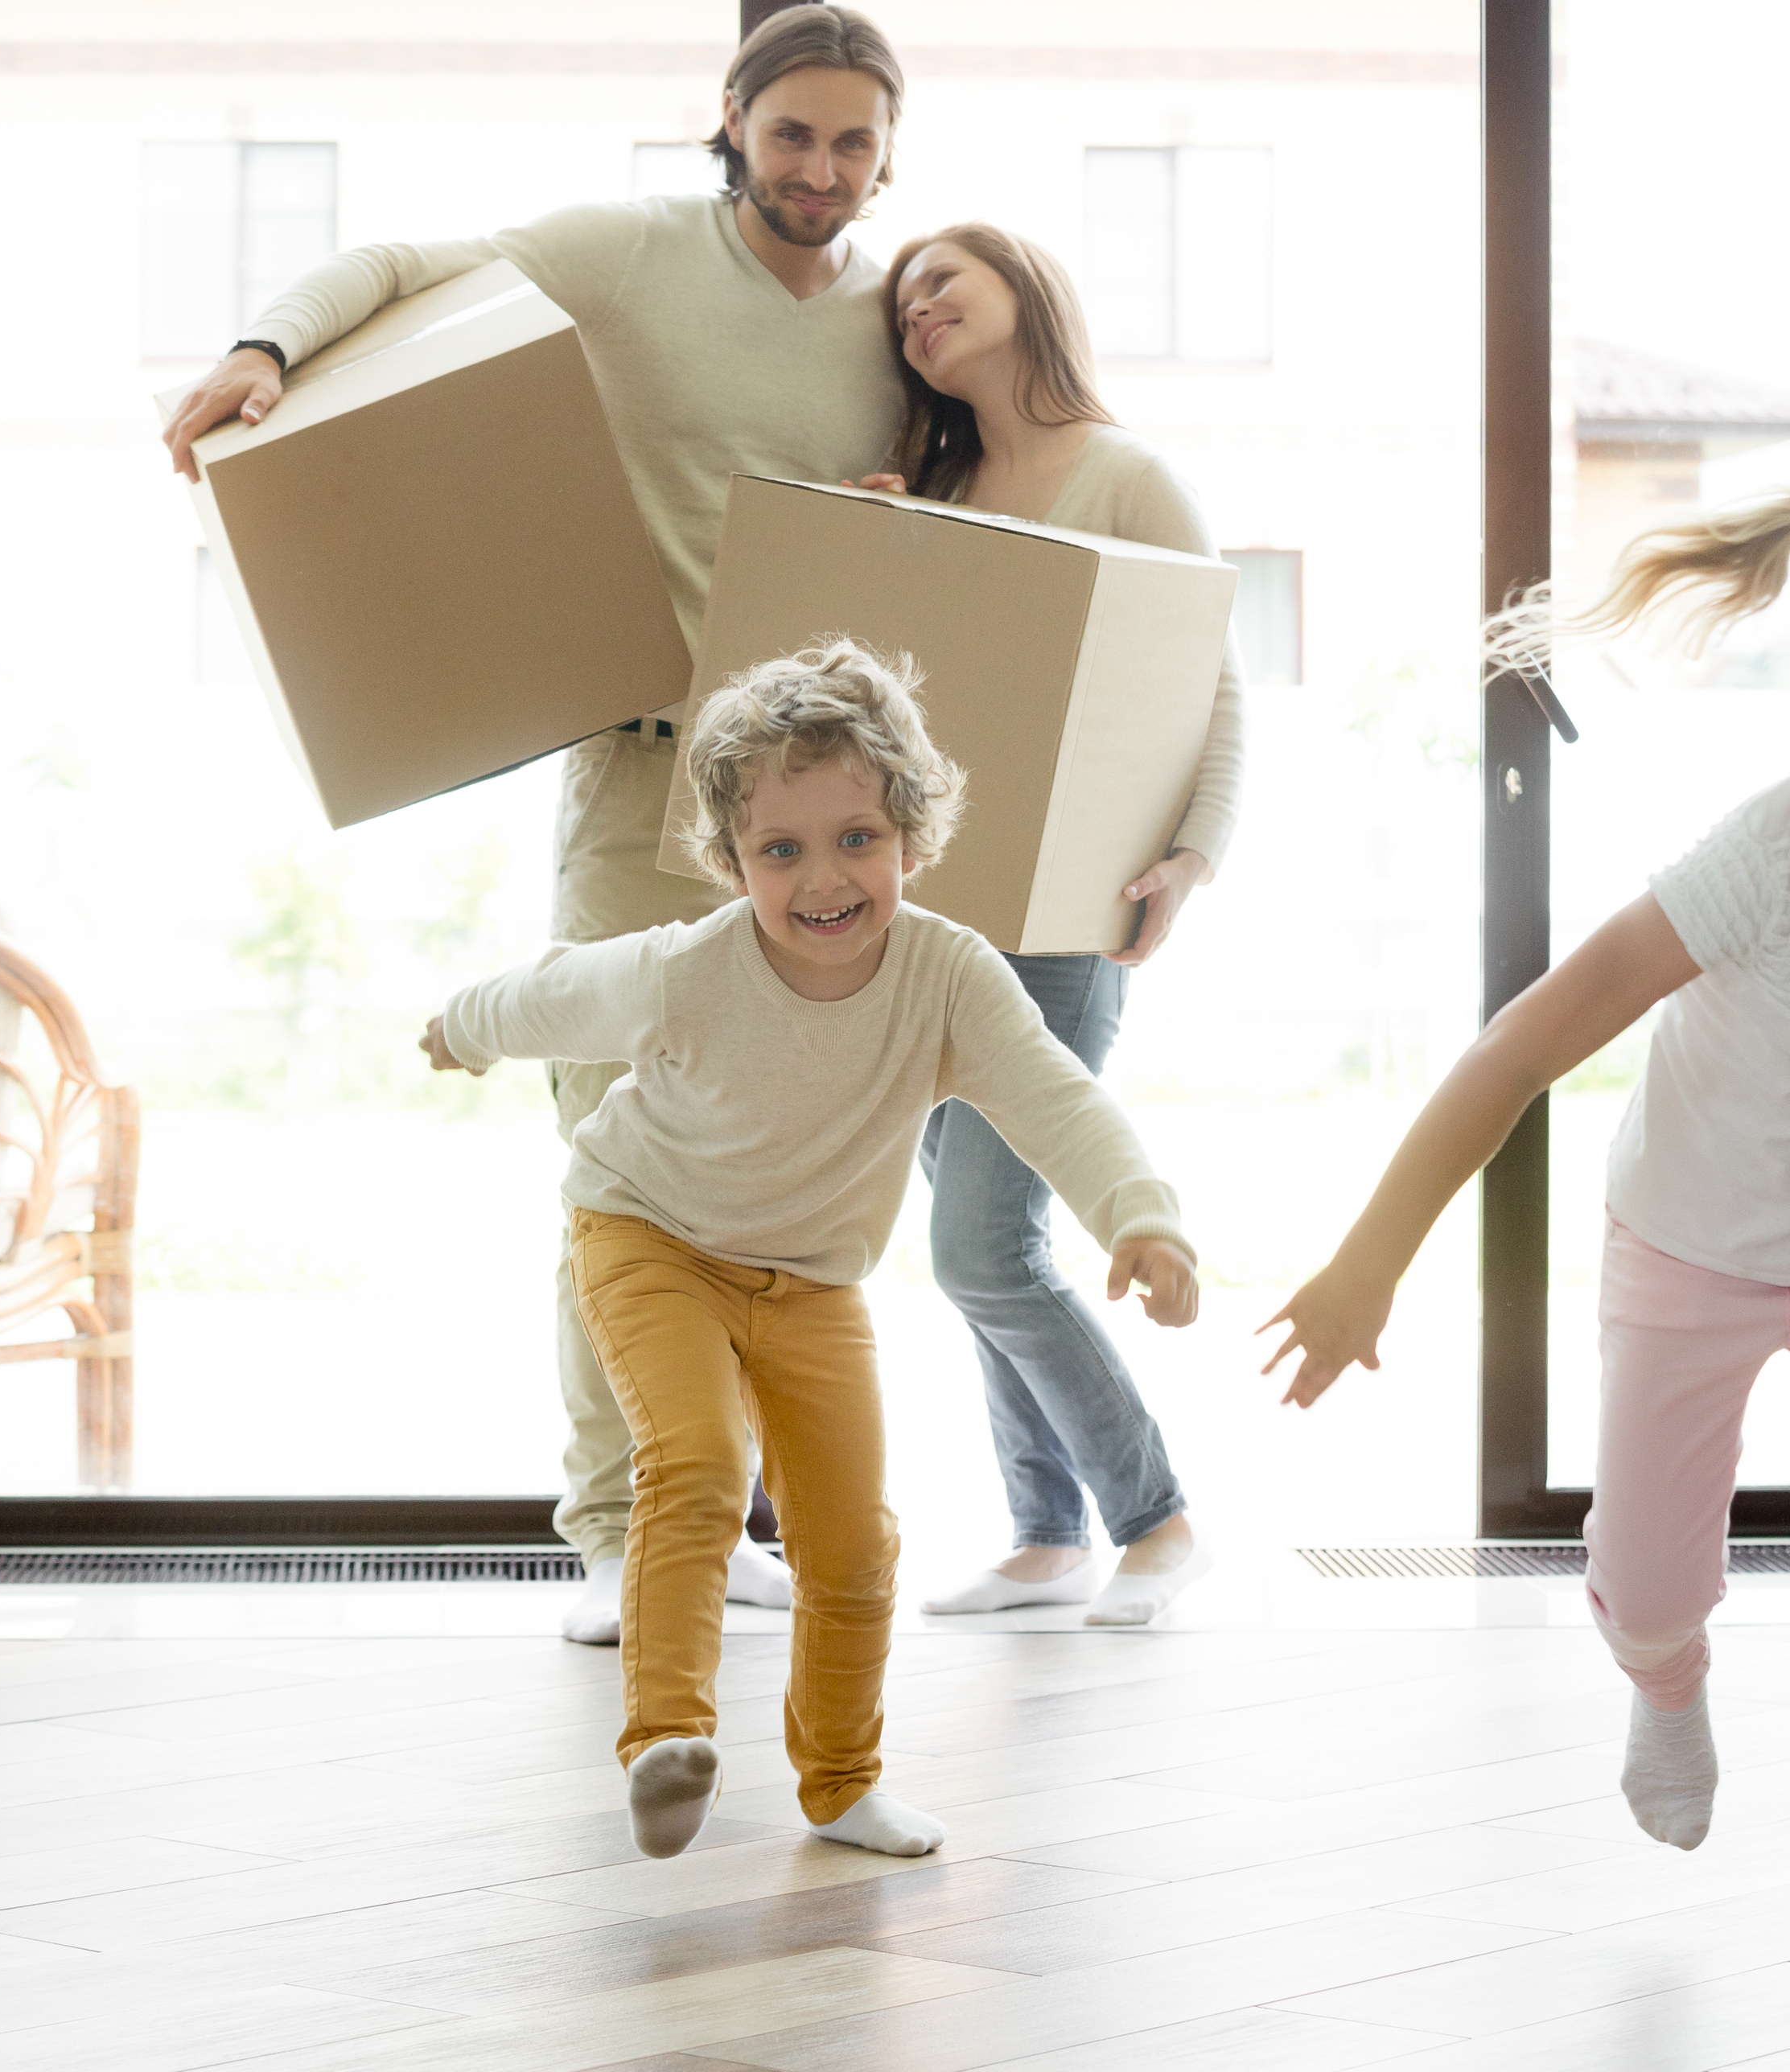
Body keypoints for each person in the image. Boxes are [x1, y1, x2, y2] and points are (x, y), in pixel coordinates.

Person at [1260, 493, 1790, 2058]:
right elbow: (1527, 1040)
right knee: (1651, 1580)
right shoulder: (1758, 864)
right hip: (1686, 1245)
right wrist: (1367, 1263)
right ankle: (1665, 1676)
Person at [157, 8, 913, 1646]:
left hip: (827, 815)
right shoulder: (630, 255)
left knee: (777, 1171)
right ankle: (624, 1527)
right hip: (648, 783)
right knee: (622, 1156)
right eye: (795, 136)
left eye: (855, 142)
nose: (823, 171)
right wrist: (268, 350)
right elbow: (402, 263)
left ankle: (731, 1517)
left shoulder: (893, 319)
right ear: (734, 120)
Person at [420, 639, 1201, 1860]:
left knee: (851, 1537)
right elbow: (551, 995)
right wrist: (459, 1030)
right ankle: (667, 1743)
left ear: (911, 838)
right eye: (780, 850)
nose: (823, 878)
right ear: (730, 862)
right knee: (695, 1461)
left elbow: (1056, 1098)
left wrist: (1140, 1214)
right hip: (649, 1236)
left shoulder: (947, 978)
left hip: (812, 1282)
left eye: (857, 840)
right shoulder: (691, 969)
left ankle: (841, 1784)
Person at [867, 224, 1242, 1627]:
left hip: (1069, 910)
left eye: (942, 282)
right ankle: (1047, 1533)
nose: (916, 311)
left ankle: (1157, 1522)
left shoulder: (1126, 474)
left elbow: (1217, 686)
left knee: (982, 1245)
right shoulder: (946, 484)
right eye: (901, 304)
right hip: (937, 919)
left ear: (1025, 292)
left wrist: (1192, 858)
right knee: (974, 1239)